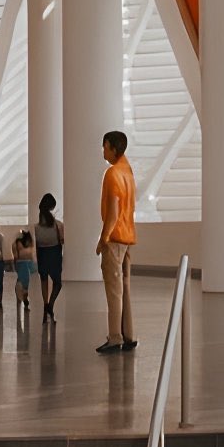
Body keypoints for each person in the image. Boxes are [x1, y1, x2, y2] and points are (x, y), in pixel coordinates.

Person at [96, 130, 137, 355]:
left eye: (105, 146)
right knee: (125, 288)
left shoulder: (112, 173)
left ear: (113, 147)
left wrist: (103, 239)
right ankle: (129, 334)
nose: (103, 150)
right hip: (128, 237)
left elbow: (112, 212)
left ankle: (115, 337)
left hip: (115, 239)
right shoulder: (128, 172)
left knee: (114, 291)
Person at [34, 193, 65, 323]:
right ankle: (50, 305)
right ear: (52, 208)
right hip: (54, 254)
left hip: (42, 254)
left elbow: (36, 244)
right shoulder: (58, 225)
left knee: (44, 281)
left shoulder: (36, 227)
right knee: (57, 283)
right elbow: (62, 240)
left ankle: (45, 305)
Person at [12, 231, 36, 312]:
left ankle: (22, 298)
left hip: (22, 263)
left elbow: (15, 256)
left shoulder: (17, 243)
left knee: (22, 281)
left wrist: (15, 265)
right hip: (27, 263)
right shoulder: (29, 243)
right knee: (25, 283)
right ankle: (24, 298)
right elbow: (31, 254)